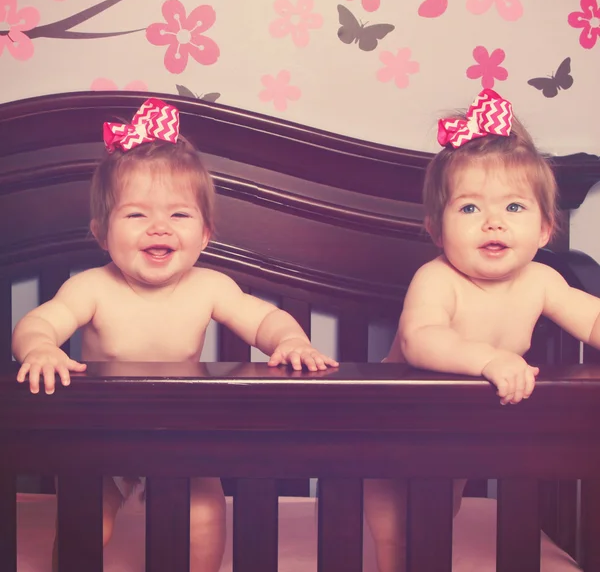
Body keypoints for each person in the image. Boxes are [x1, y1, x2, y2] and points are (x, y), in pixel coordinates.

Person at [12, 97, 339, 572]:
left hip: (179, 436)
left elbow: (263, 319)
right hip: (98, 438)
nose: (159, 227)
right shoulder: (91, 288)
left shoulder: (211, 287)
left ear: (206, 234)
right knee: (83, 519)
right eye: (136, 215)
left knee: (205, 514)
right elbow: (40, 321)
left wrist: (290, 341)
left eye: (179, 216)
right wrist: (40, 347)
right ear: (101, 232)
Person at [365, 88, 600, 572]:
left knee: (435, 520)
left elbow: (592, 317)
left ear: (544, 229)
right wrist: (489, 360)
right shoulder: (437, 278)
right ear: (436, 229)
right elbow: (420, 338)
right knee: (394, 526)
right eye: (469, 209)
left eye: (514, 208)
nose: (493, 222)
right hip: (394, 428)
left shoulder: (541, 281)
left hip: (459, 435)